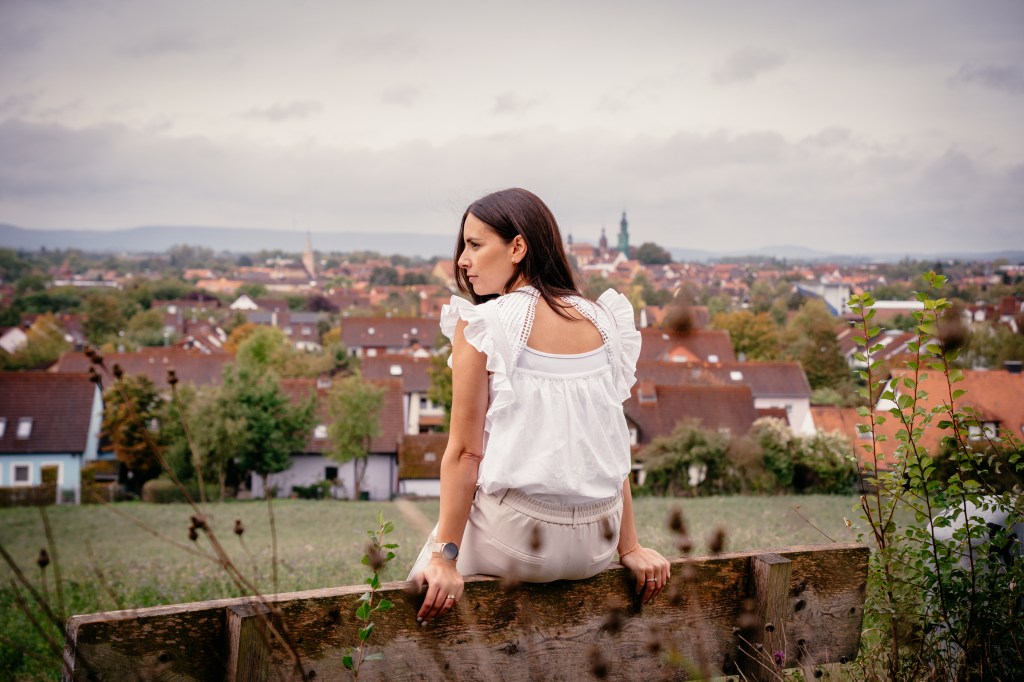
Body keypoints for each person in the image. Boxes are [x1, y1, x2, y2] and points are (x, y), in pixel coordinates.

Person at [408, 188, 671, 624]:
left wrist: (445, 557)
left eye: (475, 245)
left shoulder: (482, 324)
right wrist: (631, 547)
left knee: (421, 586)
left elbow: (466, 453)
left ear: (517, 247)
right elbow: (609, 443)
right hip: (599, 541)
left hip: (518, 541)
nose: (462, 260)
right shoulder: (603, 320)